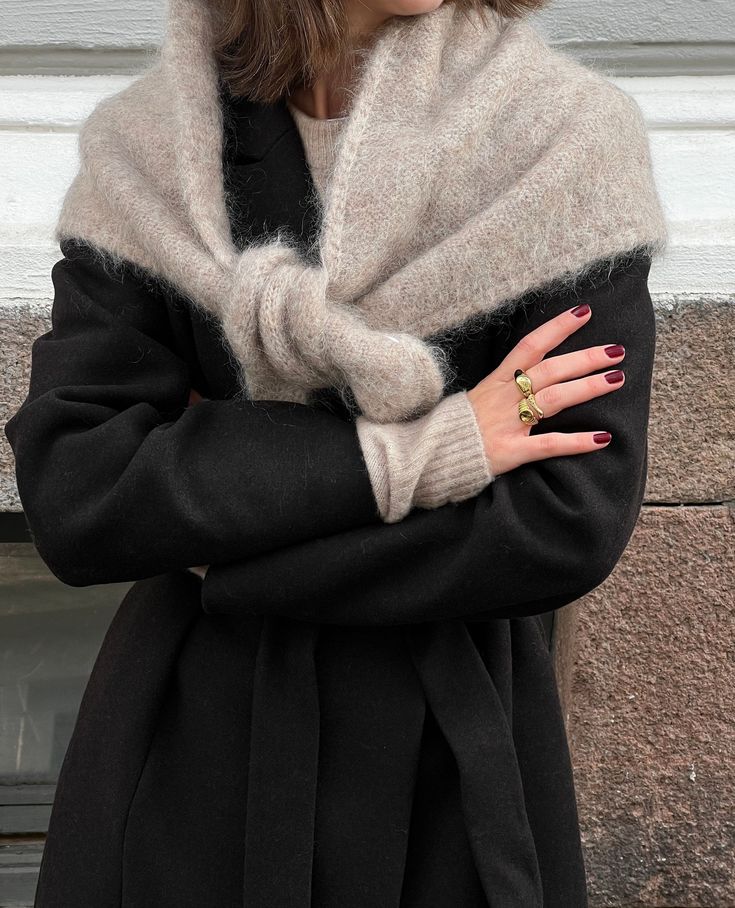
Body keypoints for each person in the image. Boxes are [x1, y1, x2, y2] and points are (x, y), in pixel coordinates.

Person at [3, 0, 668, 906]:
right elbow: (81, 490)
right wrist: (438, 448)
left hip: (452, 765)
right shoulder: (149, 150)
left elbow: (562, 522)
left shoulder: (558, 142)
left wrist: (220, 548)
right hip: (194, 758)